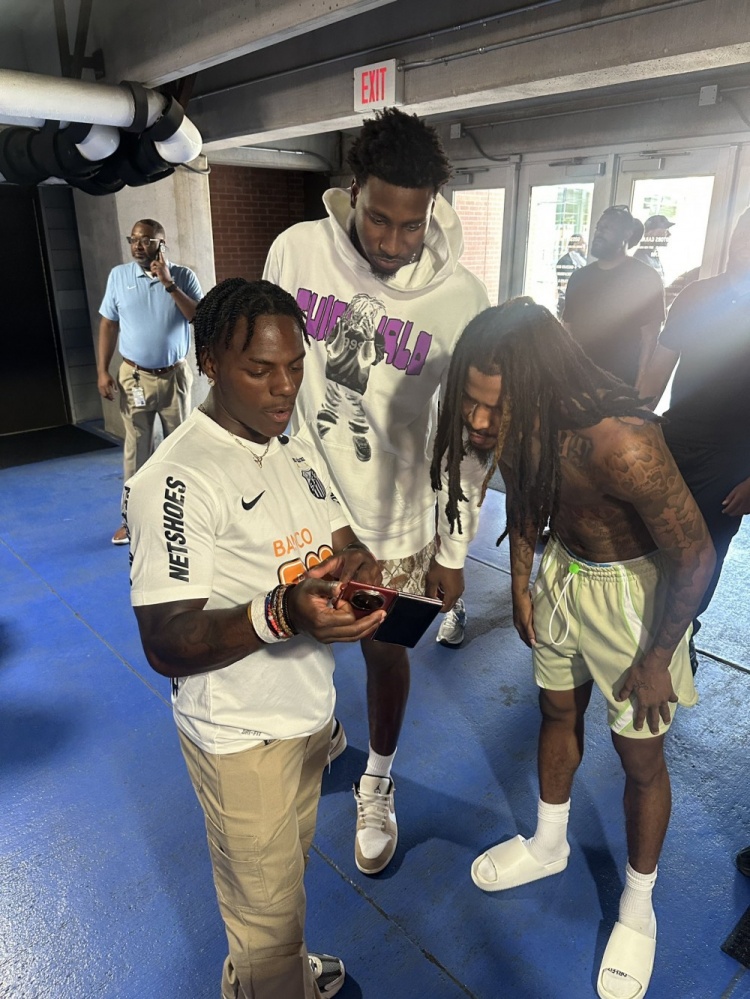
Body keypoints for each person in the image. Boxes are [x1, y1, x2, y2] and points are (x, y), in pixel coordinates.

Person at [432, 299, 715, 999]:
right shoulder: (518, 423)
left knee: (639, 759)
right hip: (563, 573)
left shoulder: (624, 444)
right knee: (556, 712)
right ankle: (549, 843)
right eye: (471, 401)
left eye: (494, 406)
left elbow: (695, 556)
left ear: (541, 386)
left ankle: (637, 908)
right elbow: (528, 495)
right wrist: (521, 578)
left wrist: (658, 657)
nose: (478, 422)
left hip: (633, 600)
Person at [124, 278, 388, 999]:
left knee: (277, 887)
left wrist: (360, 568)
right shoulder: (175, 480)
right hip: (241, 736)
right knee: (269, 922)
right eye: (260, 369)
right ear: (210, 362)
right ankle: (272, 981)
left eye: (295, 366)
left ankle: (264, 979)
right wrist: (284, 612)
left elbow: (343, 541)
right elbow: (166, 642)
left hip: (306, 717)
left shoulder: (292, 448)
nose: (285, 387)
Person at [264, 107, 490, 875]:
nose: (393, 243)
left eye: (411, 224)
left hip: (396, 525)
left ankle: (378, 780)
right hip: (301, 506)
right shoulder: (296, 251)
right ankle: (324, 732)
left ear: (432, 208)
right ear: (352, 190)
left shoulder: (462, 299)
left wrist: (454, 547)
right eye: (378, 219)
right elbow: (272, 375)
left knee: (385, 655)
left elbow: (471, 439)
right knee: (292, 637)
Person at [637, 207, 750, 676]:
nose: (745, 246)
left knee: (706, 556)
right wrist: (628, 424)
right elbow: (655, 375)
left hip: (732, 464)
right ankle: (639, 628)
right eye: (743, 235)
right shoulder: (697, 296)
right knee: (649, 543)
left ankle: (683, 634)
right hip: (674, 443)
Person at [97, 218, 203, 545]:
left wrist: (169, 284)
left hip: (174, 378)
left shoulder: (184, 276)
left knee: (178, 448)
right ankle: (133, 520)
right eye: (133, 239)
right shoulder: (119, 276)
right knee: (136, 450)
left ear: (162, 244)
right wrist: (102, 371)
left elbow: (198, 317)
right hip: (134, 377)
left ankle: (183, 516)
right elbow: (108, 324)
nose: (138, 246)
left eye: (146, 240)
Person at [563, 205, 665, 386]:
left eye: (607, 228)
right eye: (598, 227)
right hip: (579, 381)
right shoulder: (579, 277)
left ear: (627, 234)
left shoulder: (645, 278)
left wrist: (640, 388)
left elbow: (650, 339)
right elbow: (567, 330)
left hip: (621, 384)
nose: (599, 232)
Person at [555, 233, 587, 317]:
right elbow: (565, 285)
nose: (585, 246)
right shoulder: (565, 261)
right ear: (575, 245)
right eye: (582, 243)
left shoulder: (581, 261)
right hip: (567, 305)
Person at [633, 214, 674, 280]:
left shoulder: (653, 255)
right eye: (666, 230)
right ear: (650, 233)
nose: (669, 234)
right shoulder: (640, 258)